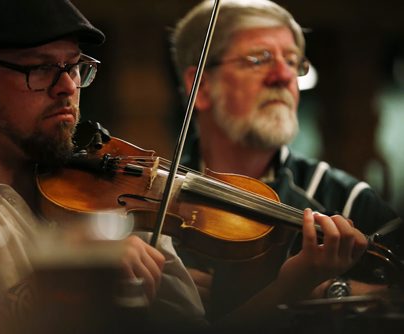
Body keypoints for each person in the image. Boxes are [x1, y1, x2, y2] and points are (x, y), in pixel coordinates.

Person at [0, 0, 207, 332]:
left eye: (75, 66)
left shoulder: (111, 188)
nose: (68, 87)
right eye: (40, 68)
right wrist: (65, 280)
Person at [170, 0, 402, 328]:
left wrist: (335, 290)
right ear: (202, 86)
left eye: (293, 62)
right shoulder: (152, 204)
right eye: (258, 59)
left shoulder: (348, 200)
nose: (283, 76)